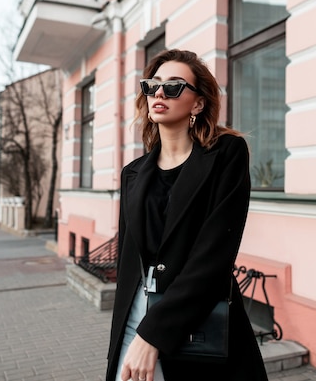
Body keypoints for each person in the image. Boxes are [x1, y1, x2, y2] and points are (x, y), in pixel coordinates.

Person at [106, 49, 268, 381]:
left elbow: (213, 258)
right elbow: (128, 260)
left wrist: (153, 334)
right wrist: (130, 334)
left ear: (197, 103)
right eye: (153, 85)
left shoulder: (225, 156)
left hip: (197, 324)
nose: (160, 93)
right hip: (133, 324)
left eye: (175, 86)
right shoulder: (133, 174)